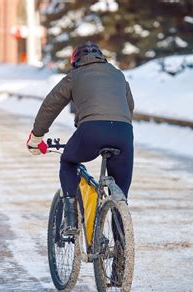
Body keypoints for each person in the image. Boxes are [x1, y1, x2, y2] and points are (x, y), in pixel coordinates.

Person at [26, 42, 135, 234]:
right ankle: (121, 254)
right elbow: (129, 105)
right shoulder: (118, 74)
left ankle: (70, 219)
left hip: (91, 131)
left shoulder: (74, 76)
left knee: (68, 161)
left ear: (75, 62)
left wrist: (36, 137)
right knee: (120, 195)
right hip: (123, 133)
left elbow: (51, 105)